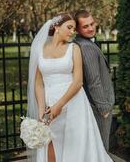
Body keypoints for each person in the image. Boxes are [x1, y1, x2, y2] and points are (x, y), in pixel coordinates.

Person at [27, 12, 113, 162]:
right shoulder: (40, 50)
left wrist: (59, 105)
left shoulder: (74, 48)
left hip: (74, 103)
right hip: (49, 105)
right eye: (69, 27)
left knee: (76, 146)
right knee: (50, 144)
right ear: (56, 27)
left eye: (74, 28)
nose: (73, 32)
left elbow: (78, 81)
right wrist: (42, 109)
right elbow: (38, 83)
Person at [74, 9, 115, 152]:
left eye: (92, 24)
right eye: (85, 26)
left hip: (94, 105)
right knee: (102, 149)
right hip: (99, 107)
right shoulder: (86, 47)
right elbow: (94, 81)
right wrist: (104, 108)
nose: (91, 28)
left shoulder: (83, 43)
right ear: (77, 29)